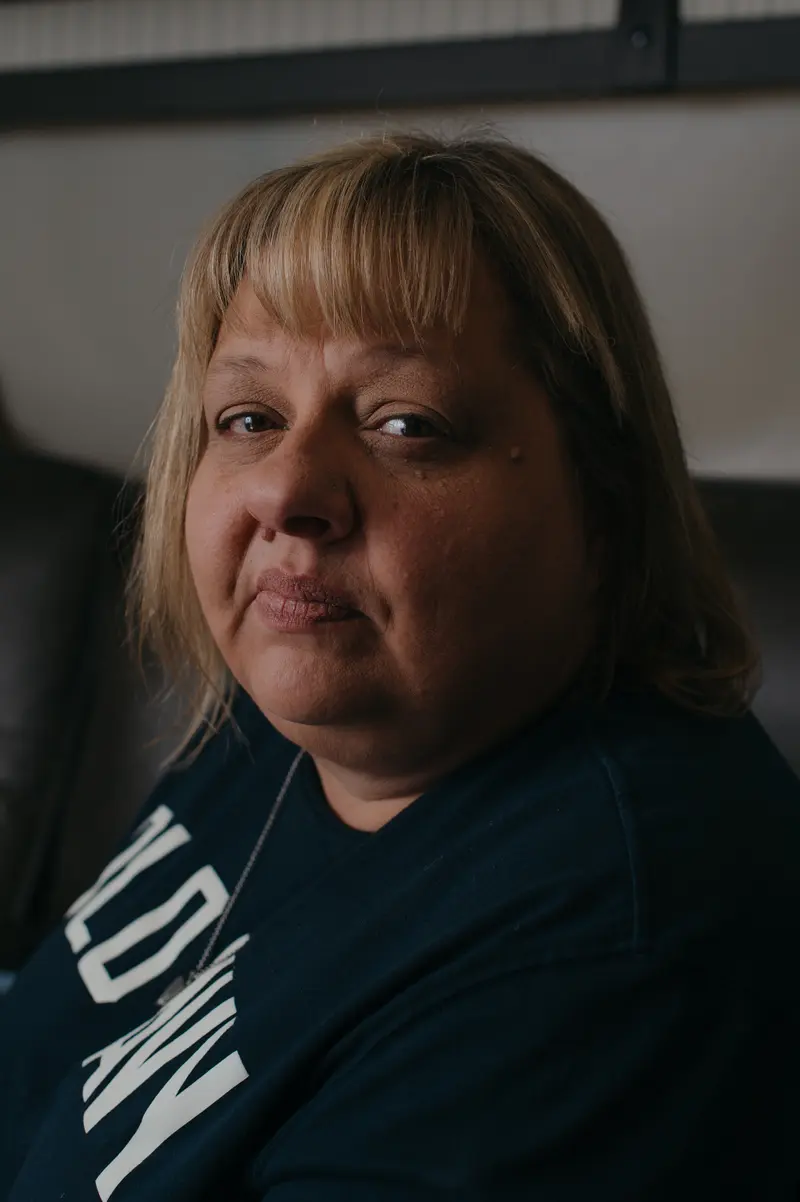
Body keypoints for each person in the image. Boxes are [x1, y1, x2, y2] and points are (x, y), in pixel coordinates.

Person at [1, 131, 798, 1202]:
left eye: (404, 424)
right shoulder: (302, 705)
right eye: (248, 417)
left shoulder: (601, 960)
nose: (286, 491)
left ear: (602, 500)